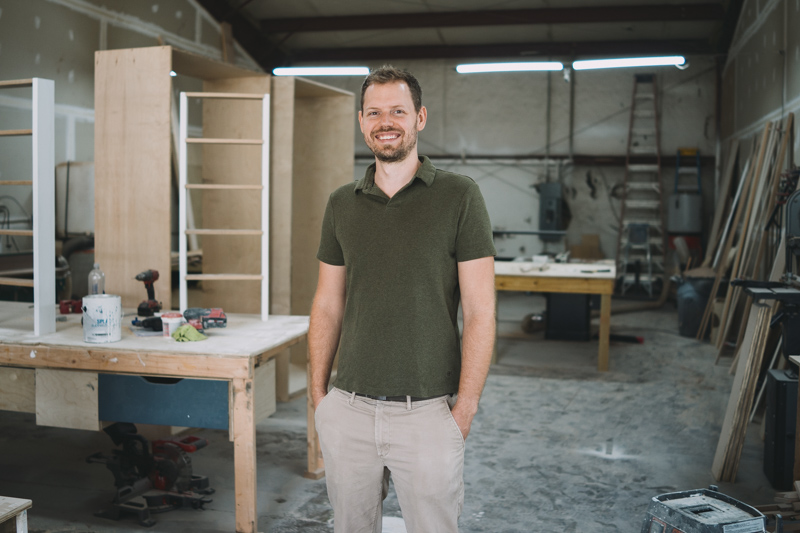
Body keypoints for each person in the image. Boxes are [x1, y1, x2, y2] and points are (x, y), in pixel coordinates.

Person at [308, 65, 496, 533]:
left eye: (397, 110)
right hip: (348, 409)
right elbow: (327, 303)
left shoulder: (460, 196)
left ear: (420, 118)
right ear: (361, 121)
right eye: (374, 112)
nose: (385, 121)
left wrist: (465, 407)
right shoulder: (341, 203)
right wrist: (318, 397)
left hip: (428, 413)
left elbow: (480, 310)